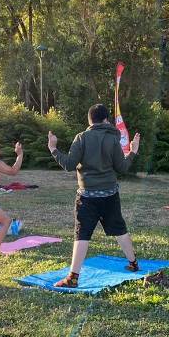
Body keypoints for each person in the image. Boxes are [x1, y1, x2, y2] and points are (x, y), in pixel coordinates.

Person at [47, 104, 141, 288]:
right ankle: (134, 264)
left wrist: (53, 148)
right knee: (119, 228)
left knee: (82, 233)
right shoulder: (113, 138)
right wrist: (133, 152)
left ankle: (73, 277)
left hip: (87, 196)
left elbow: (68, 164)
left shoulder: (81, 137)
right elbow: (122, 168)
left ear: (90, 120)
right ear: (106, 119)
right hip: (110, 194)